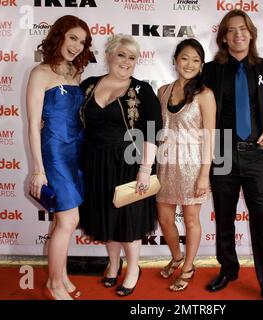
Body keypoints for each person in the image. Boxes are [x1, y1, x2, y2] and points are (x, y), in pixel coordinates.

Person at [202, 9, 263, 300]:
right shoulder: (211, 71)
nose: (238, 34)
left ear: (251, 33)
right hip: (222, 150)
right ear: (224, 38)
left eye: (243, 28)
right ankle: (228, 269)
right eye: (231, 30)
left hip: (256, 154)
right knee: (224, 216)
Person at [78, 34, 162, 297]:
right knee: (106, 217)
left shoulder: (142, 89)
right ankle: (113, 264)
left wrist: (145, 169)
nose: (127, 61)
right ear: (109, 56)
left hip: (130, 163)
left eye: (132, 57)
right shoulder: (88, 85)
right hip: (96, 163)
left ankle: (134, 268)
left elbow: (152, 130)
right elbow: (74, 121)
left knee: (130, 219)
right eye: (121, 55)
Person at [26, 15, 92, 300]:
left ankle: (61, 276)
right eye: (73, 38)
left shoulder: (75, 74)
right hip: (54, 152)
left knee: (64, 221)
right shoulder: (39, 73)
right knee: (67, 221)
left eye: (83, 41)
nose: (77, 46)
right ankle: (53, 285)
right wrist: (38, 170)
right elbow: (32, 124)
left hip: (76, 151)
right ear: (60, 36)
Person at [156, 39, 216, 291]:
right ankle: (177, 257)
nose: (189, 64)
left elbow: (210, 136)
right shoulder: (162, 91)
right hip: (165, 165)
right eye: (185, 58)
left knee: (191, 220)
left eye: (196, 60)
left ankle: (189, 266)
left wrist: (204, 174)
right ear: (175, 60)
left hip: (193, 167)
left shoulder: (205, 94)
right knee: (165, 219)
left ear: (201, 65)